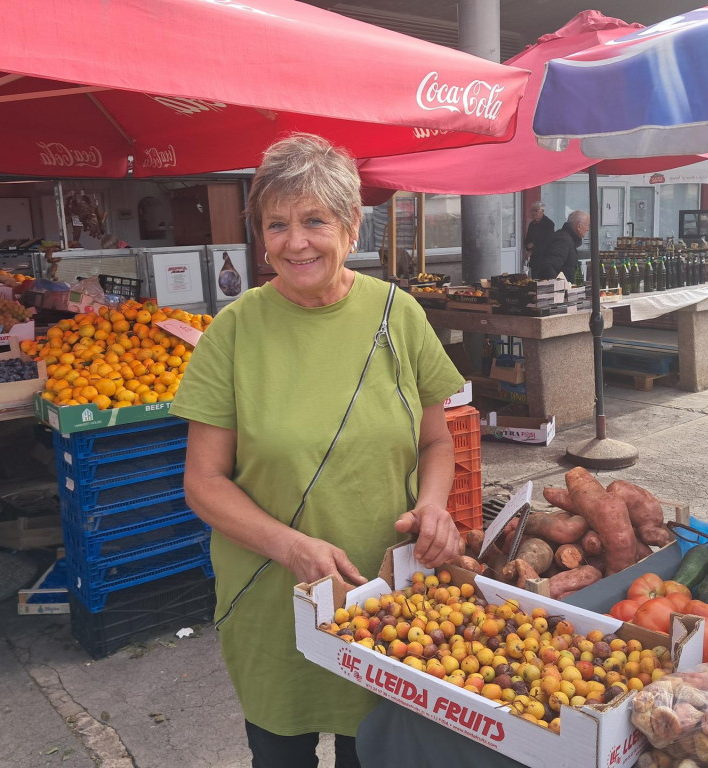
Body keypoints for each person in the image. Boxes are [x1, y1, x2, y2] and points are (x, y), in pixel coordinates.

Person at [170, 133, 465, 767]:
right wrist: (291, 547)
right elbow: (203, 482)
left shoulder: (399, 315)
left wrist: (436, 506)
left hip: (389, 598)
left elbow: (437, 439)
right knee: (281, 753)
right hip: (273, 600)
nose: (295, 241)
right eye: (276, 225)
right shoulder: (234, 331)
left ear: (351, 226)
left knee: (379, 752)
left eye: (314, 220)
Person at [535, 210, 589, 281]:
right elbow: (549, 266)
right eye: (588, 225)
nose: (588, 229)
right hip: (559, 290)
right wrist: (560, 287)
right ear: (579, 226)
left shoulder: (567, 239)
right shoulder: (564, 240)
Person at [522, 201, 554, 274]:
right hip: (534, 260)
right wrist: (527, 246)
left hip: (545, 259)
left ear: (542, 211)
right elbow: (527, 238)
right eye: (532, 210)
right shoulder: (532, 224)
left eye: (536, 210)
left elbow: (547, 242)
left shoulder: (549, 224)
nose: (534, 213)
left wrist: (533, 246)